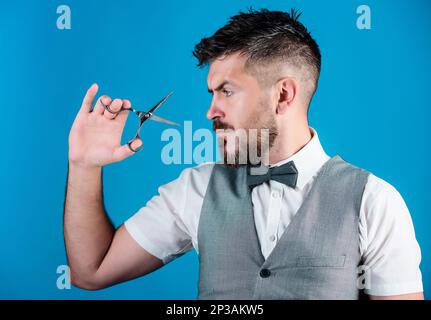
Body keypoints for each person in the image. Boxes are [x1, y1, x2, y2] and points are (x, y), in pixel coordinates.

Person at [64, 8, 423, 299]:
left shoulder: (374, 202)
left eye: (227, 91)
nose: (211, 111)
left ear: (283, 95)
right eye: (211, 92)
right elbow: (91, 270)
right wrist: (84, 165)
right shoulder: (198, 187)